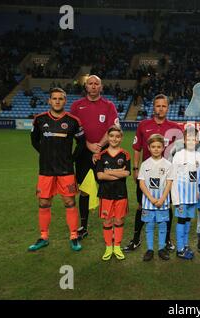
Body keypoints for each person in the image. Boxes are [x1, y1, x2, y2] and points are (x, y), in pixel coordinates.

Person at [124, 94, 183, 253]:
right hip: (146, 174)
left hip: (167, 176)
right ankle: (136, 239)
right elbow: (137, 149)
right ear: (153, 107)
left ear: (168, 108)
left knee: (167, 205)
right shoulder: (143, 125)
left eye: (164, 106)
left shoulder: (176, 128)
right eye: (158, 106)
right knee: (142, 205)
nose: (161, 108)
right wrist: (135, 169)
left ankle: (167, 240)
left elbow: (180, 153)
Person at [28, 87, 85, 252]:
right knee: (44, 202)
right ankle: (43, 237)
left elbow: (81, 142)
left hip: (65, 171)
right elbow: (34, 141)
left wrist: (71, 158)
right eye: (54, 98)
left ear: (65, 101)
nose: (57, 101)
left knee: (69, 202)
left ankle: (74, 236)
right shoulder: (39, 120)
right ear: (49, 101)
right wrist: (45, 154)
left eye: (61, 98)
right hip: (46, 170)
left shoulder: (73, 121)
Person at [70, 75, 119, 241]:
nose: (93, 86)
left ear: (101, 87)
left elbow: (113, 127)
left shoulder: (109, 105)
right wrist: (88, 144)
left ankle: (110, 222)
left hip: (105, 153)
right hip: (83, 153)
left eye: (96, 83)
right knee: (84, 190)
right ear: (86, 86)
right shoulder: (77, 106)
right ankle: (83, 226)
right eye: (90, 83)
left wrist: (98, 145)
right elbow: (72, 129)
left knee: (108, 188)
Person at [96, 127, 131, 261]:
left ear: (121, 138)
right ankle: (108, 246)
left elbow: (127, 173)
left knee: (119, 220)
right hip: (105, 194)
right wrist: (118, 173)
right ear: (108, 137)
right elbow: (100, 176)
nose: (114, 139)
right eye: (111, 136)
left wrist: (108, 172)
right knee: (107, 220)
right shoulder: (101, 154)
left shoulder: (125, 154)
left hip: (121, 194)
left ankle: (117, 246)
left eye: (117, 136)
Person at [168, 127, 200, 260]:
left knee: (188, 220)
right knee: (181, 220)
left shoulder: (199, 156)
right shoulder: (179, 155)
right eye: (189, 139)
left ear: (197, 140)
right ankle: (180, 249)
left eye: (194, 139)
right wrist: (175, 197)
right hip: (181, 196)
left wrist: (197, 191)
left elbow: (197, 176)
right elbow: (173, 176)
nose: (192, 141)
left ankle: (185, 245)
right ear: (184, 140)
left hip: (192, 196)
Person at [138, 134, 173, 261]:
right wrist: (151, 199)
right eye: (153, 147)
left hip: (163, 202)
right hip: (148, 202)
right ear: (148, 147)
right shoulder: (145, 164)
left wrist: (163, 199)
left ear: (163, 147)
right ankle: (150, 249)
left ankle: (161, 248)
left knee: (163, 224)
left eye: (159, 146)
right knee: (149, 225)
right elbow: (141, 183)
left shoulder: (168, 164)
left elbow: (169, 182)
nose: (156, 149)